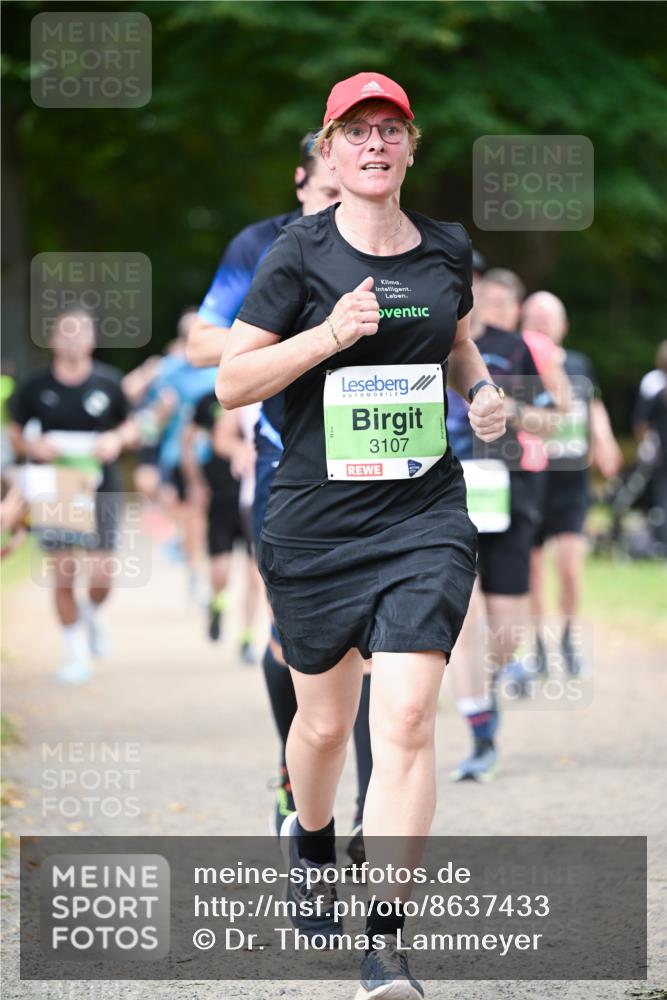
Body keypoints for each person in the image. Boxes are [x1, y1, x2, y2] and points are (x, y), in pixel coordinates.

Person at [217, 72, 505, 999]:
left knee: (408, 719)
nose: (373, 145)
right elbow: (231, 382)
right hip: (315, 523)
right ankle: (311, 839)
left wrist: (482, 392)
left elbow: (456, 343)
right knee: (323, 723)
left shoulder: (447, 247)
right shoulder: (296, 254)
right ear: (329, 152)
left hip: (424, 514)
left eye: (390, 130)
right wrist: (328, 337)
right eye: (355, 131)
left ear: (411, 147)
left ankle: (386, 945)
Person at [190, 135, 375, 848]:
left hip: (373, 464)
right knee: (294, 636)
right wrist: (307, 332)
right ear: (302, 181)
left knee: (374, 638)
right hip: (287, 459)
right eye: (328, 190)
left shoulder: (389, 238)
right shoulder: (264, 245)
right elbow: (203, 345)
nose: (340, 203)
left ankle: (368, 803)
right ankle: (294, 769)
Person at [445, 270, 565, 781]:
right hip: (449, 490)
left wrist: (507, 408)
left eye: (500, 300)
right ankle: (478, 726)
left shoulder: (521, 349)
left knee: (507, 625)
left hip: (512, 490)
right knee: (464, 613)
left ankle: (487, 686)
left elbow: (555, 418)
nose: (489, 307)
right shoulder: (436, 341)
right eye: (482, 297)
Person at [8, 308, 134, 683]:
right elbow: (15, 433)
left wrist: (116, 439)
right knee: (63, 573)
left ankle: (92, 614)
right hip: (56, 483)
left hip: (100, 484)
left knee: (101, 574)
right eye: (66, 331)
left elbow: (131, 427)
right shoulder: (35, 385)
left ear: (92, 340)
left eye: (80, 332)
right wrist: (33, 445)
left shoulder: (109, 383)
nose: (73, 338)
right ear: (53, 339)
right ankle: (75, 652)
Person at [183, 390, 260, 658]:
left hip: (254, 496)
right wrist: (195, 482)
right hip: (221, 498)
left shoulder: (265, 391)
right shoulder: (209, 400)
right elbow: (192, 440)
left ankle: (247, 637)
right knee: (221, 571)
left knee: (255, 575)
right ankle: (217, 602)